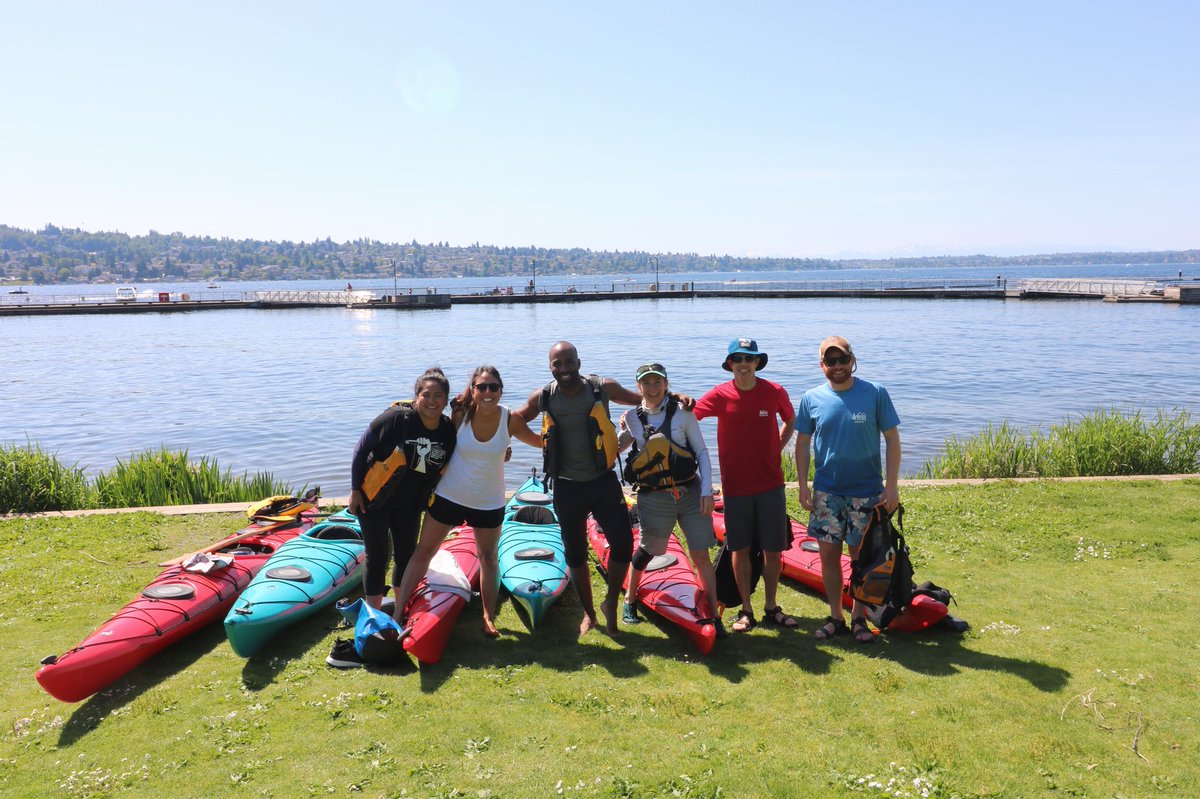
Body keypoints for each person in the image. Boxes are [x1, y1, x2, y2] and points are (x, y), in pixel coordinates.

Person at [391, 366, 541, 637]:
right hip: (450, 496)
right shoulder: (460, 415)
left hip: (488, 502)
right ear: (472, 389)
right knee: (423, 552)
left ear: (501, 390)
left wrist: (569, 429)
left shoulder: (511, 420)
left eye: (493, 387)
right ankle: (399, 611)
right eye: (481, 387)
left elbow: (541, 442)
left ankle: (488, 617)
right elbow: (437, 437)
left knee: (488, 558)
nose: (487, 392)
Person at [515, 341, 646, 636]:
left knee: (624, 544)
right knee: (575, 553)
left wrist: (674, 397)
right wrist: (533, 443)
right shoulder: (544, 397)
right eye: (557, 364)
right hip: (566, 487)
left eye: (568, 362)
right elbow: (512, 421)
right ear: (550, 367)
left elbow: (645, 398)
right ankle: (589, 613)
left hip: (603, 482)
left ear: (579, 362)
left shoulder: (602, 388)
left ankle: (610, 602)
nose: (564, 369)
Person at [794, 336, 901, 644]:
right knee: (828, 557)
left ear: (852, 360)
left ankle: (858, 618)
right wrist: (803, 485)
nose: (837, 366)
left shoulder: (875, 393)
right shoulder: (811, 398)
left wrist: (891, 487)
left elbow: (892, 439)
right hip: (827, 494)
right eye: (831, 361)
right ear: (822, 365)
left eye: (842, 360)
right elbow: (802, 443)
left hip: (867, 493)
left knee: (861, 559)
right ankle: (835, 617)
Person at [694, 338, 796, 633]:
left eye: (749, 358)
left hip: (771, 485)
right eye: (737, 358)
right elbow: (690, 416)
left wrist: (776, 447)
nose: (743, 363)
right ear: (730, 364)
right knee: (739, 549)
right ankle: (747, 610)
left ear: (757, 363)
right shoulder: (719, 394)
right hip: (736, 488)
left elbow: (791, 420)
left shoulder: (774, 391)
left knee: (773, 550)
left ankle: (772, 607)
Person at [618, 363, 725, 637]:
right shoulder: (631, 417)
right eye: (647, 383)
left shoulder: (683, 414)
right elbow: (615, 450)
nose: (652, 388)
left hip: (690, 493)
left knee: (700, 553)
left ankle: (714, 614)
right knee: (648, 551)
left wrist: (706, 492)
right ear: (638, 386)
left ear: (666, 384)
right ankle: (629, 600)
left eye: (657, 382)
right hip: (654, 496)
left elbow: (701, 452)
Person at [348, 368, 456, 616]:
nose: (431, 401)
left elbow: (462, 457)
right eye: (426, 394)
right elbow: (361, 450)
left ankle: (401, 608)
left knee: (406, 556)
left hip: (410, 504)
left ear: (446, 400)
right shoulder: (397, 418)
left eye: (438, 395)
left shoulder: (448, 429)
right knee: (377, 557)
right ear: (416, 396)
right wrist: (355, 490)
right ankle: (373, 614)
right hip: (373, 499)